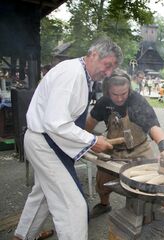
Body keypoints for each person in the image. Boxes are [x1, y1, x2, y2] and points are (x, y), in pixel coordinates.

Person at [13, 37, 122, 240]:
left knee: (44, 193)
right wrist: (92, 141)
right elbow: (55, 122)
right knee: (73, 206)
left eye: (112, 69)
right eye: (107, 66)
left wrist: (88, 139)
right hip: (45, 143)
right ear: (94, 54)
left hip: (45, 141)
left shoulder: (79, 72)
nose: (107, 73)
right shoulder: (72, 74)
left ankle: (22, 235)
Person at [85, 69, 164, 218]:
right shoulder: (103, 102)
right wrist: (85, 139)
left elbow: (154, 127)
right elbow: (90, 122)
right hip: (113, 150)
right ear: (108, 91)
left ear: (129, 88)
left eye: (124, 93)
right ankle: (104, 204)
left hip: (139, 150)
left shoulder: (137, 101)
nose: (120, 98)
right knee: (102, 182)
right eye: (115, 94)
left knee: (156, 187)